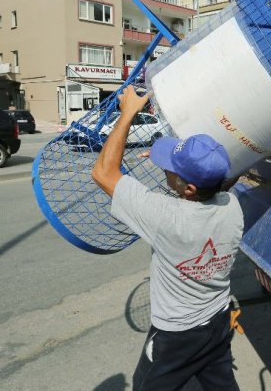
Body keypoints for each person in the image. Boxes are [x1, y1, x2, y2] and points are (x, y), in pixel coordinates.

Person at [91, 85, 244, 391]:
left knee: (145, 385)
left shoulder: (165, 217)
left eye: (171, 171)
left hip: (178, 335)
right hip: (218, 319)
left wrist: (128, 113)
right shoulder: (232, 206)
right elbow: (218, 179)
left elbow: (104, 172)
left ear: (189, 188)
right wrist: (173, 170)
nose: (165, 172)